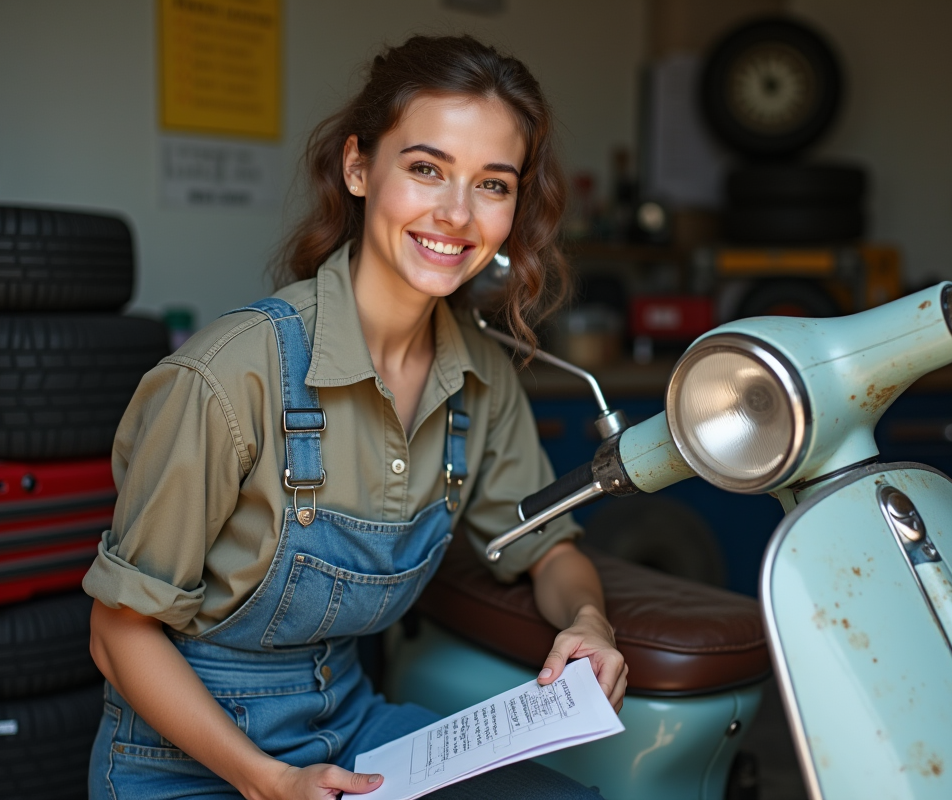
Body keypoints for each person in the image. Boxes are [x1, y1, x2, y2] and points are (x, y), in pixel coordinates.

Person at [83, 34, 626, 800]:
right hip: (184, 759)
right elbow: (117, 634)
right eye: (427, 168)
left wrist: (589, 621)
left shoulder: (482, 377)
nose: (457, 213)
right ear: (359, 167)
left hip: (348, 720)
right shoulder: (230, 375)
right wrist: (268, 780)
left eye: (493, 185)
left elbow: (548, 550)